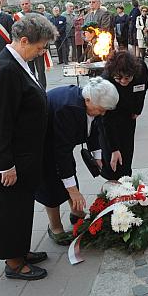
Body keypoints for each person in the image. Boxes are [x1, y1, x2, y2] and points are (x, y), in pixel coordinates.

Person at [0, 13, 57, 280]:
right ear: (24, 41)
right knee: (6, 207)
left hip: (19, 151)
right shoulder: (7, 69)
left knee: (19, 204)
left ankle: (19, 249)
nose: (41, 52)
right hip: (2, 155)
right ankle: (13, 262)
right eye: (40, 47)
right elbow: (0, 122)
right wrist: (6, 164)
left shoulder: (18, 62)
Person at [35, 78, 119, 245]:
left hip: (61, 144)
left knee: (69, 175)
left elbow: (95, 127)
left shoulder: (91, 104)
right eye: (100, 109)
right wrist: (73, 190)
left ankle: (77, 212)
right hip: (43, 144)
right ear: (88, 100)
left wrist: (97, 157)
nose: (103, 113)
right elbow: (62, 153)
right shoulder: (68, 109)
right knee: (51, 184)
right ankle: (55, 226)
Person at [101, 51, 148, 180]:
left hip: (129, 114)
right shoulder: (106, 81)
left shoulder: (141, 69)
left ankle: (126, 179)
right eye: (119, 78)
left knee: (127, 153)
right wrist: (114, 148)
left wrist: (137, 110)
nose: (123, 81)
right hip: (109, 114)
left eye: (127, 78)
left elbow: (142, 89)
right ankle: (113, 184)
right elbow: (106, 119)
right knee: (112, 158)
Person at [15, 0, 47, 88]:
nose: (25, 6)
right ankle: (33, 90)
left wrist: (45, 47)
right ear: (20, 5)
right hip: (25, 48)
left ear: (30, 4)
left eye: (26, 3)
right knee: (29, 71)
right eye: (23, 4)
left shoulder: (39, 15)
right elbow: (15, 33)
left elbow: (46, 31)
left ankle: (42, 90)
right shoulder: (17, 17)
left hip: (38, 47)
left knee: (41, 71)